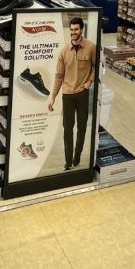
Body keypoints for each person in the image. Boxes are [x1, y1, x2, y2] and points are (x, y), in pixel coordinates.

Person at [47, 17, 96, 171]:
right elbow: (58, 76)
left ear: (81, 30)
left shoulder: (91, 47)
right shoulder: (63, 52)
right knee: (67, 129)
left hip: (82, 94)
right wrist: (53, 96)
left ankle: (77, 156)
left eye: (76, 29)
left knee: (82, 127)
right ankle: (68, 162)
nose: (73, 32)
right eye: (71, 29)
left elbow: (97, 67)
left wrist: (90, 81)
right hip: (67, 94)